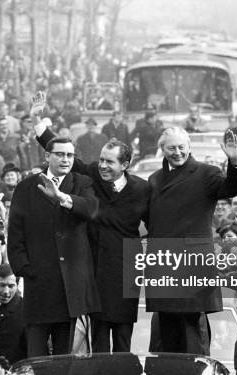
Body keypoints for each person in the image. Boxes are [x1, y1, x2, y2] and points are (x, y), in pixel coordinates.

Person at [31, 92, 149, 353]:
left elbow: (157, 223)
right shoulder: (94, 174)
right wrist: (38, 122)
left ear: (126, 164)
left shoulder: (142, 189)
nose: (103, 166)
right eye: (102, 160)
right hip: (94, 268)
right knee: (98, 339)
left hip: (125, 271)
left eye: (110, 162)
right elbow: (64, 153)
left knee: (122, 340)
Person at [145, 126, 237, 354]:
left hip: (193, 265)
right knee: (165, 331)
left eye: (182, 147)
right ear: (162, 149)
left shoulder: (206, 173)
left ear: (189, 147)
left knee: (193, 334)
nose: (177, 152)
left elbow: (232, 187)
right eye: (171, 148)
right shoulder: (154, 179)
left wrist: (235, 162)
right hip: (164, 263)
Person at [8, 135, 101, 357]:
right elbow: (16, 232)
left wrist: (61, 197)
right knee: (36, 354)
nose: (65, 159)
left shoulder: (82, 183)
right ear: (47, 156)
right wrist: (25, 269)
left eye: (70, 155)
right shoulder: (27, 187)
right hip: (39, 284)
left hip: (69, 288)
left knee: (65, 355)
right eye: (60, 154)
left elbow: (91, 209)